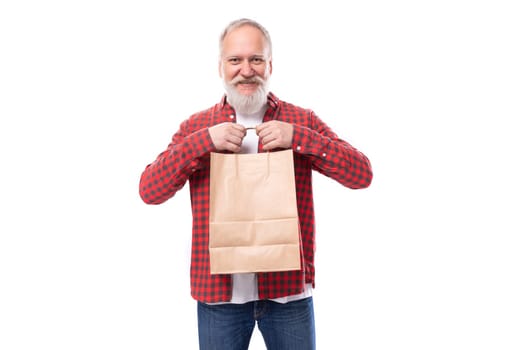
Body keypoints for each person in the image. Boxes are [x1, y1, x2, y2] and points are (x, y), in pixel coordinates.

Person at [139, 18, 373, 350]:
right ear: (220, 66)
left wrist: (299, 138)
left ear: (270, 65)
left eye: (256, 59)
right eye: (235, 60)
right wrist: (202, 143)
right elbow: (150, 190)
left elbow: (361, 175)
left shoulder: (300, 119)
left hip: (288, 296)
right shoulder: (197, 126)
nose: (246, 70)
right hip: (219, 299)